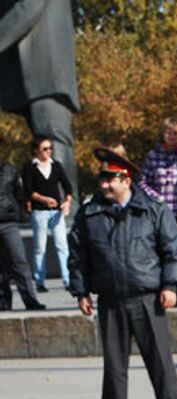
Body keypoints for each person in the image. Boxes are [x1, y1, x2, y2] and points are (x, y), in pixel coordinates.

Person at [67, 146, 177, 399]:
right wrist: (81, 291)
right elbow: (78, 256)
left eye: (111, 179)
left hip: (148, 298)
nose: (105, 185)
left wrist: (171, 284)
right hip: (111, 300)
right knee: (114, 368)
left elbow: (175, 250)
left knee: (160, 362)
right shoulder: (89, 215)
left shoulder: (152, 210)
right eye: (102, 179)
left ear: (127, 180)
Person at [0, 0, 80, 208]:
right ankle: (52, 211)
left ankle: (65, 214)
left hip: (46, 68)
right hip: (32, 72)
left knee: (53, 140)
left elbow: (29, 6)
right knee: (44, 142)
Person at [139, 117, 177, 307]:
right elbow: (142, 182)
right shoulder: (153, 155)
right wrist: (155, 198)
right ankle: (170, 293)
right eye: (168, 132)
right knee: (164, 255)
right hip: (161, 214)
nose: (172, 136)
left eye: (175, 133)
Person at [21, 133, 72, 291]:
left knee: (62, 246)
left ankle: (68, 279)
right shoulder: (30, 167)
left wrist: (67, 202)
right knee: (39, 248)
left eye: (50, 148)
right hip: (40, 212)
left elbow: (67, 187)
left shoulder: (56, 165)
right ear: (36, 150)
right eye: (44, 149)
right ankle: (39, 281)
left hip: (56, 212)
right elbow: (29, 191)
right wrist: (44, 200)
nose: (48, 151)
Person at [0, 139, 45, 311]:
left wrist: (19, 213)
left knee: (19, 262)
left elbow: (19, 195)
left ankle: (30, 300)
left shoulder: (10, 170)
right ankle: (3, 302)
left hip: (8, 223)